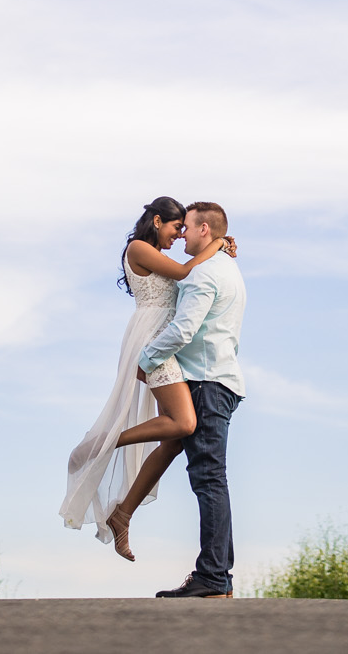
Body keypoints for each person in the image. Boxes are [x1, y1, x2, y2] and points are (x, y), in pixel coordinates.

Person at [59, 197, 234, 558]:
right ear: (157, 221)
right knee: (185, 422)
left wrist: (215, 245)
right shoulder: (138, 247)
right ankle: (104, 443)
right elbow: (188, 274)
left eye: (185, 229)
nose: (179, 235)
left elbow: (187, 273)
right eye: (176, 228)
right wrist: (217, 243)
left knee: (173, 439)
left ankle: (122, 515)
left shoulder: (158, 254)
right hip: (153, 340)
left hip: (167, 341)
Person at [137, 201, 245, 598]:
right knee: (213, 479)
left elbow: (183, 330)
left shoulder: (203, 275)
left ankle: (213, 577)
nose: (182, 234)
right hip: (224, 380)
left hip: (205, 382)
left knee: (208, 480)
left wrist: (146, 359)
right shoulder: (229, 270)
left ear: (205, 231)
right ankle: (219, 576)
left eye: (188, 228)